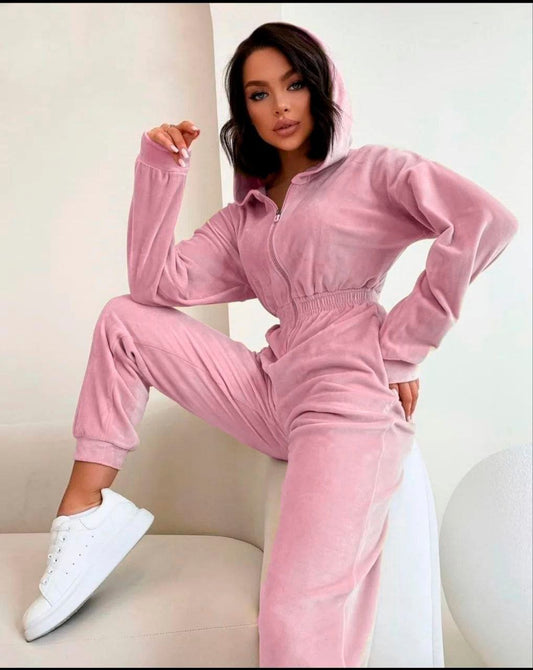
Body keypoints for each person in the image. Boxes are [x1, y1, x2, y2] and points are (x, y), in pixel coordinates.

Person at [22, 20, 518, 666]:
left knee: (294, 611)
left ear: (320, 86)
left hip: (345, 397)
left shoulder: (373, 172)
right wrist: (161, 169)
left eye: (293, 84)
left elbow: (484, 221)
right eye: (259, 94)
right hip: (272, 386)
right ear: (244, 111)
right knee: (124, 319)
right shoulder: (246, 218)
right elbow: (154, 283)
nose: (280, 106)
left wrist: (403, 345)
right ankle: (85, 513)